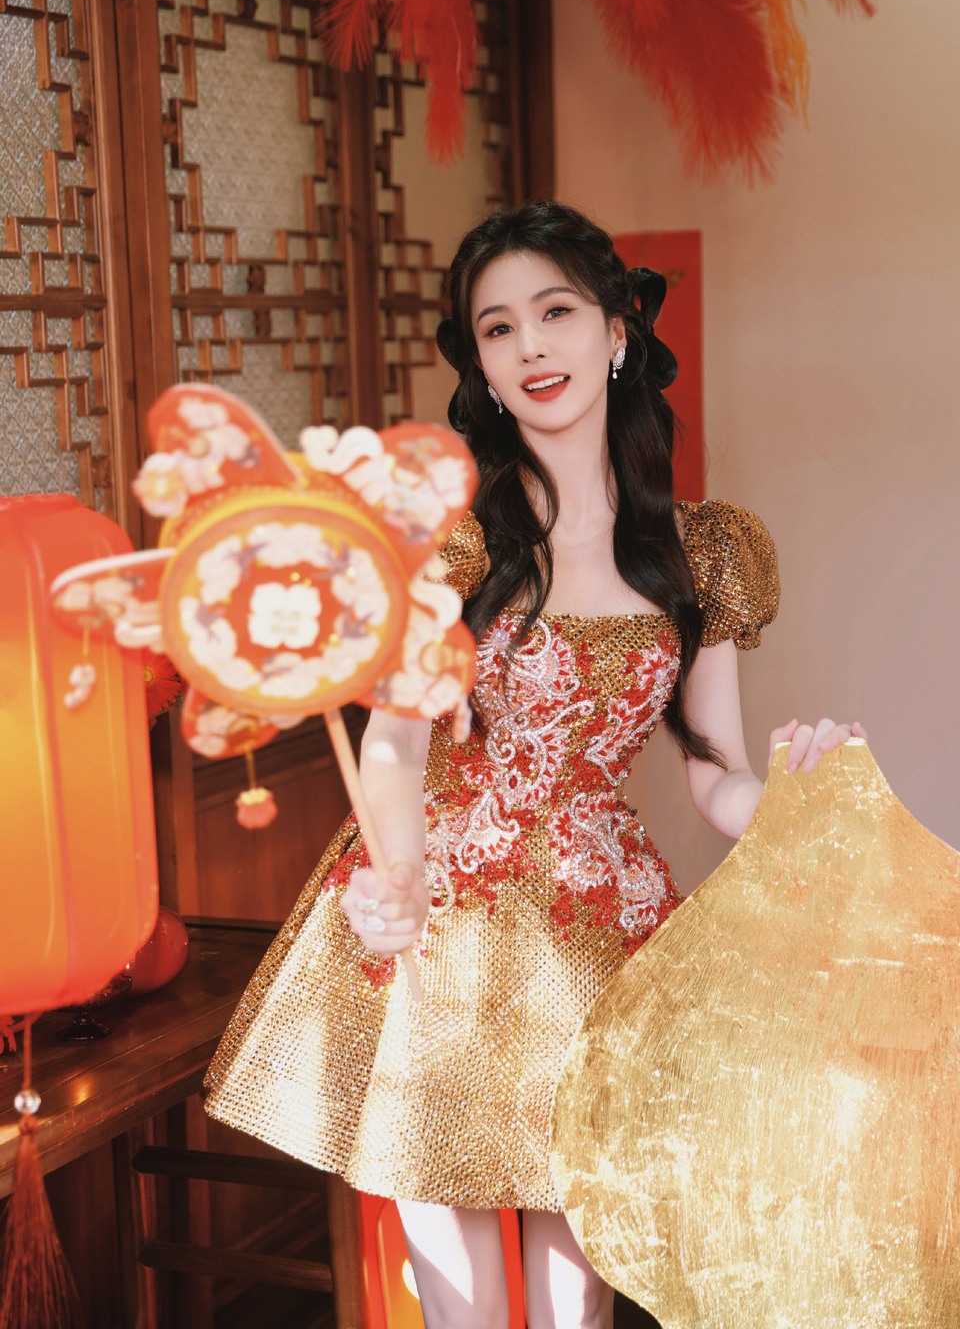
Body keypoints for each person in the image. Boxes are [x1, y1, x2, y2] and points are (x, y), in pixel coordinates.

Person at [204, 201, 864, 1329]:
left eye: (555, 312)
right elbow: (397, 739)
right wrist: (398, 873)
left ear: (616, 333)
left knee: (579, 1296)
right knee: (460, 1302)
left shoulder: (703, 551)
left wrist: (800, 800)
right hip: (443, 915)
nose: (530, 346)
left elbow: (716, 776)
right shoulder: (455, 542)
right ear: (484, 371)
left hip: (597, 924)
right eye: (498, 328)